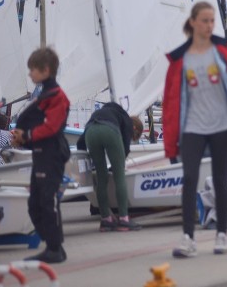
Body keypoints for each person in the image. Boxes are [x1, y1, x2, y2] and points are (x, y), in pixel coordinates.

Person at [162, 2, 227, 258]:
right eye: (205, 20)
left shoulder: (221, 51)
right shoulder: (180, 58)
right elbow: (171, 99)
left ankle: (221, 234)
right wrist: (171, 135)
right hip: (192, 126)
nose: (209, 26)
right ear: (193, 22)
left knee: (220, 179)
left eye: (212, 21)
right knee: (189, 179)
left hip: (222, 125)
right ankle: (188, 238)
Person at [11, 47, 70, 264]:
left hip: (51, 154)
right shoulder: (45, 93)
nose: (30, 74)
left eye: (32, 70)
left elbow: (52, 127)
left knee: (48, 201)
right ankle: (53, 245)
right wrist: (23, 137)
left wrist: (26, 135)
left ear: (45, 70)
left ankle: (54, 248)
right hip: (39, 154)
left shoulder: (57, 96)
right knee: (34, 204)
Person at [76, 103, 143, 232]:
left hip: (91, 131)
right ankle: (124, 219)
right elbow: (125, 150)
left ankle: (106, 219)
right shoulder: (127, 121)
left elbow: (80, 143)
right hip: (109, 131)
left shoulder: (102, 113)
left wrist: (85, 166)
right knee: (119, 177)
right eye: (134, 136)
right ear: (135, 127)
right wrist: (115, 167)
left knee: (102, 178)